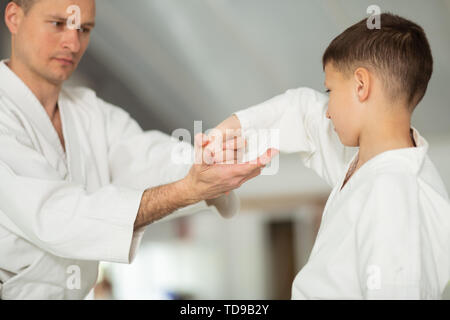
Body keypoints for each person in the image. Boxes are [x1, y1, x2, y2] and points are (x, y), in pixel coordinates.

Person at [0, 0, 275, 299]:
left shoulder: (90, 112)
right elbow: (57, 216)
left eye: (85, 28)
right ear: (14, 18)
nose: (73, 42)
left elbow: (148, 156)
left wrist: (208, 157)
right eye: (57, 24)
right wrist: (186, 190)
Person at [213, 13, 450, 299]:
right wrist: (228, 132)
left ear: (361, 85)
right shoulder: (369, 159)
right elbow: (301, 113)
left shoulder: (396, 195)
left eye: (331, 90)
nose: (327, 109)